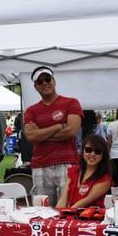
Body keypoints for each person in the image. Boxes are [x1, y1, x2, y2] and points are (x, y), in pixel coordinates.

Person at [24, 66, 83, 206]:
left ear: (54, 81)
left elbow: (72, 131)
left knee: (67, 207)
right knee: (42, 211)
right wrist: (58, 126)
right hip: (41, 164)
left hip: (67, 163)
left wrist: (41, 133)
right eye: (40, 81)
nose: (45, 83)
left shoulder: (71, 103)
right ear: (35, 87)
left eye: (47, 79)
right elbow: (31, 137)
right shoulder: (31, 110)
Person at [57, 134, 112, 208]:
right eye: (88, 150)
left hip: (90, 217)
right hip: (70, 214)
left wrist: (67, 212)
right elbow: (63, 200)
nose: (92, 154)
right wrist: (57, 215)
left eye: (98, 151)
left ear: (103, 155)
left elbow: (83, 203)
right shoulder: (73, 171)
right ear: (82, 151)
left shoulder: (105, 179)